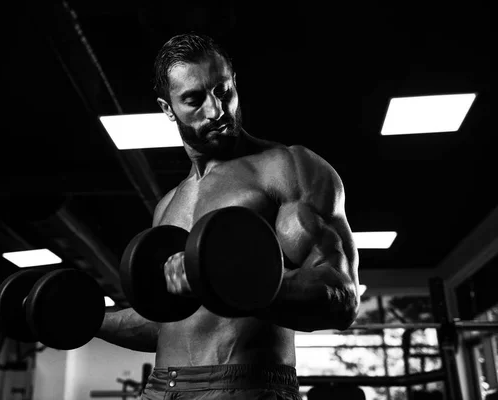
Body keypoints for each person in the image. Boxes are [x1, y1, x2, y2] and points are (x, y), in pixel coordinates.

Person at [96, 32, 361, 400]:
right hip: (160, 389)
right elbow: (168, 324)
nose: (216, 111)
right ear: (167, 108)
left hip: (244, 388)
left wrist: (228, 279)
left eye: (223, 91)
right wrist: (88, 317)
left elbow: (341, 297)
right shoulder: (169, 204)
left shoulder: (288, 169)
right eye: (194, 99)